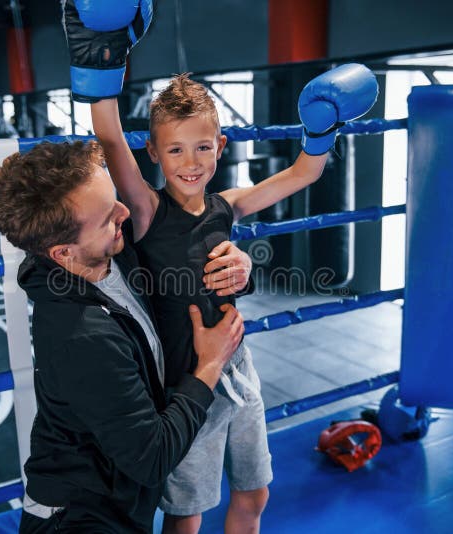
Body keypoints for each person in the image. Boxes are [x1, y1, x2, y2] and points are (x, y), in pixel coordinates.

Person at [63, 2, 377, 532]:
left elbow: (302, 174)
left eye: (203, 147)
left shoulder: (228, 205)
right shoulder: (145, 209)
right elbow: (111, 138)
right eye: (177, 149)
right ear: (155, 154)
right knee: (187, 518)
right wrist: (102, 56)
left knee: (255, 495)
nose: (191, 162)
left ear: (220, 147)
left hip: (237, 369)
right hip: (184, 386)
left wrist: (321, 129)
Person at [0, 139, 253, 533]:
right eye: (109, 217)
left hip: (119, 503)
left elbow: (181, 259)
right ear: (63, 253)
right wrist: (209, 366)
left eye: (115, 201)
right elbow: (152, 457)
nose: (125, 213)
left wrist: (239, 268)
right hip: (81, 520)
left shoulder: (110, 254)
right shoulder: (82, 337)